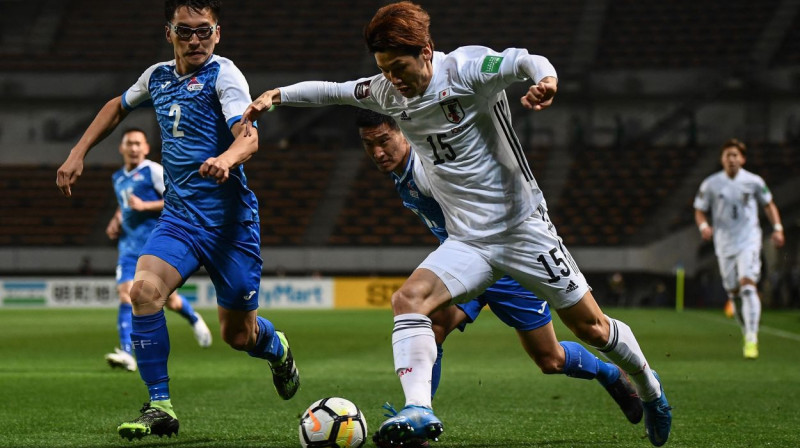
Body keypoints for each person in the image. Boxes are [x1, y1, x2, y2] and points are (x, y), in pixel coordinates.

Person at [241, 2, 671, 446]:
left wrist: (546, 79)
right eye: (384, 69)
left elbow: (521, 57)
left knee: (589, 331)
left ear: (427, 50)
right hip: (468, 243)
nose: (392, 79)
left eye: (399, 67)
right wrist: (277, 96)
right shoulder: (387, 95)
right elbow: (334, 91)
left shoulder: (465, 70)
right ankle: (419, 410)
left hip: (523, 230)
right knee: (409, 301)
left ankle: (652, 390)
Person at [56, 0, 299, 440]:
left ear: (217, 32)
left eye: (203, 31)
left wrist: (226, 158)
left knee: (239, 337)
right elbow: (116, 105)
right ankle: (159, 404)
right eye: (184, 31)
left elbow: (249, 135)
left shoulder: (225, 75)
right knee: (144, 291)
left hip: (230, 225)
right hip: (180, 219)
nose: (194, 40)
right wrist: (77, 153)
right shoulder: (157, 76)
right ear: (168, 32)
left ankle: (277, 348)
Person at [357, 109, 643, 423]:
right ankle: (418, 414)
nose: (378, 152)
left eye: (384, 141)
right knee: (432, 323)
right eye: (369, 144)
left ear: (404, 132)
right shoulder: (402, 172)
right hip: (465, 264)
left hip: (509, 267)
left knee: (550, 360)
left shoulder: (430, 165)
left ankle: (609, 374)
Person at [104, 127, 212, 373]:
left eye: (137, 144)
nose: (133, 148)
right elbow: (125, 205)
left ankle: (194, 318)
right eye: (129, 143)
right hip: (129, 247)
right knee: (125, 293)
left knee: (168, 300)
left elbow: (177, 199)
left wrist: (145, 206)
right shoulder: (118, 178)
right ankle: (126, 353)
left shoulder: (153, 171)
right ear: (121, 148)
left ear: (146, 148)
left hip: (155, 245)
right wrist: (116, 219)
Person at [694, 138, 785, 359]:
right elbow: (699, 209)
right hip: (724, 243)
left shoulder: (754, 181)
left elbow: (769, 204)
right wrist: (704, 226)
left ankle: (752, 338)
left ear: (742, 158)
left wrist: (778, 228)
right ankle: (747, 331)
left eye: (736, 155)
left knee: (747, 286)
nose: (732, 159)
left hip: (749, 240)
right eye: (728, 155)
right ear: (722, 160)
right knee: (733, 293)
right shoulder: (711, 184)